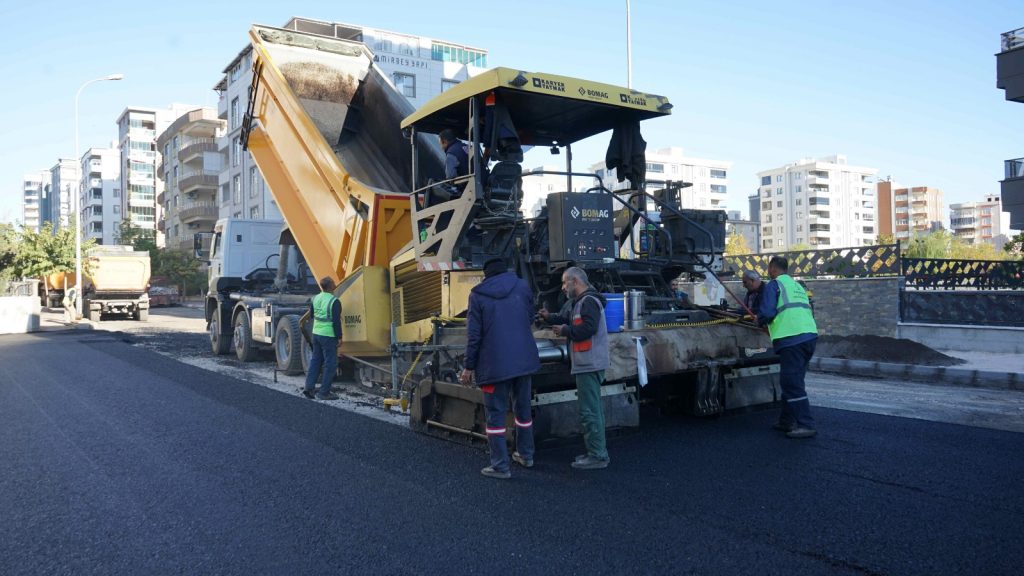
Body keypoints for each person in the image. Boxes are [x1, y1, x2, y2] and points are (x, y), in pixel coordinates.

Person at [461, 258, 540, 479]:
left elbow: (474, 336)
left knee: (495, 416)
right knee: (523, 410)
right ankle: (526, 455)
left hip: (494, 365)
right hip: (524, 361)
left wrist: (468, 367)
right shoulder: (522, 286)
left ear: (486, 275)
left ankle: (500, 466)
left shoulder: (478, 295)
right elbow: (530, 317)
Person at [539, 267, 611, 470]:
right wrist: (549, 317)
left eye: (564, 282)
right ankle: (596, 451)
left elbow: (588, 328)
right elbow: (568, 318)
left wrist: (566, 331)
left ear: (575, 281)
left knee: (590, 411)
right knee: (592, 410)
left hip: (589, 363)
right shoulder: (581, 302)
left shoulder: (588, 302)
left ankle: (597, 456)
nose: (563, 287)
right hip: (587, 362)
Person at [757, 256, 819, 439]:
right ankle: (786, 421)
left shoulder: (774, 285)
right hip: (809, 336)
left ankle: (806, 424)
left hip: (792, 338)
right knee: (793, 380)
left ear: (772, 268)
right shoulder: (797, 286)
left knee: (791, 383)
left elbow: (767, 312)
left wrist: (759, 320)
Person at [303, 277, 342, 401]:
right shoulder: (334, 301)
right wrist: (339, 337)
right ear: (330, 286)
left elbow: (312, 315)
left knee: (315, 361)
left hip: (316, 334)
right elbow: (336, 322)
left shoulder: (315, 298)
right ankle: (324, 392)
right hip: (328, 335)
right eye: (333, 283)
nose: (335, 284)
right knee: (330, 364)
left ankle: (309, 388)